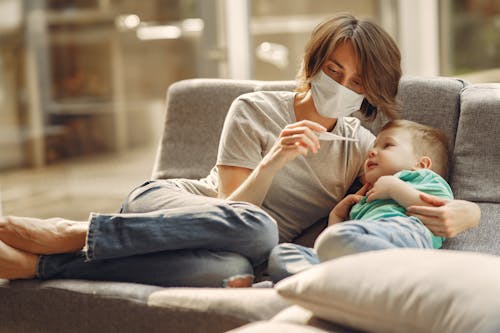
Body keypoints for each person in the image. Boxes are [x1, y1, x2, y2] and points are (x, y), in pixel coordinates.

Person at [0, 14, 480, 287]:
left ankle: (42, 266)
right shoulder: (253, 109)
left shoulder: (361, 148)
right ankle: (77, 231)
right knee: (257, 227)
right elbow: (232, 210)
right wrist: (275, 160)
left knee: (232, 268)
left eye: (357, 83)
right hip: (171, 206)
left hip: (234, 248)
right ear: (313, 63)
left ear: (370, 95)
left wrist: (467, 215)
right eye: (334, 71)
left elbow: (414, 185)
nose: (342, 86)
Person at [268, 119, 457, 283]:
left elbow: (439, 212)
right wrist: (336, 216)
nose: (372, 151)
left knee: (334, 240)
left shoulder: (423, 178)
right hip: (358, 252)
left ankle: (329, 283)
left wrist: (393, 188)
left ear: (421, 164)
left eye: (387, 145)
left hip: (405, 235)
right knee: (282, 254)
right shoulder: (366, 196)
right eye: (373, 146)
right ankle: (328, 285)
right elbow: (339, 243)